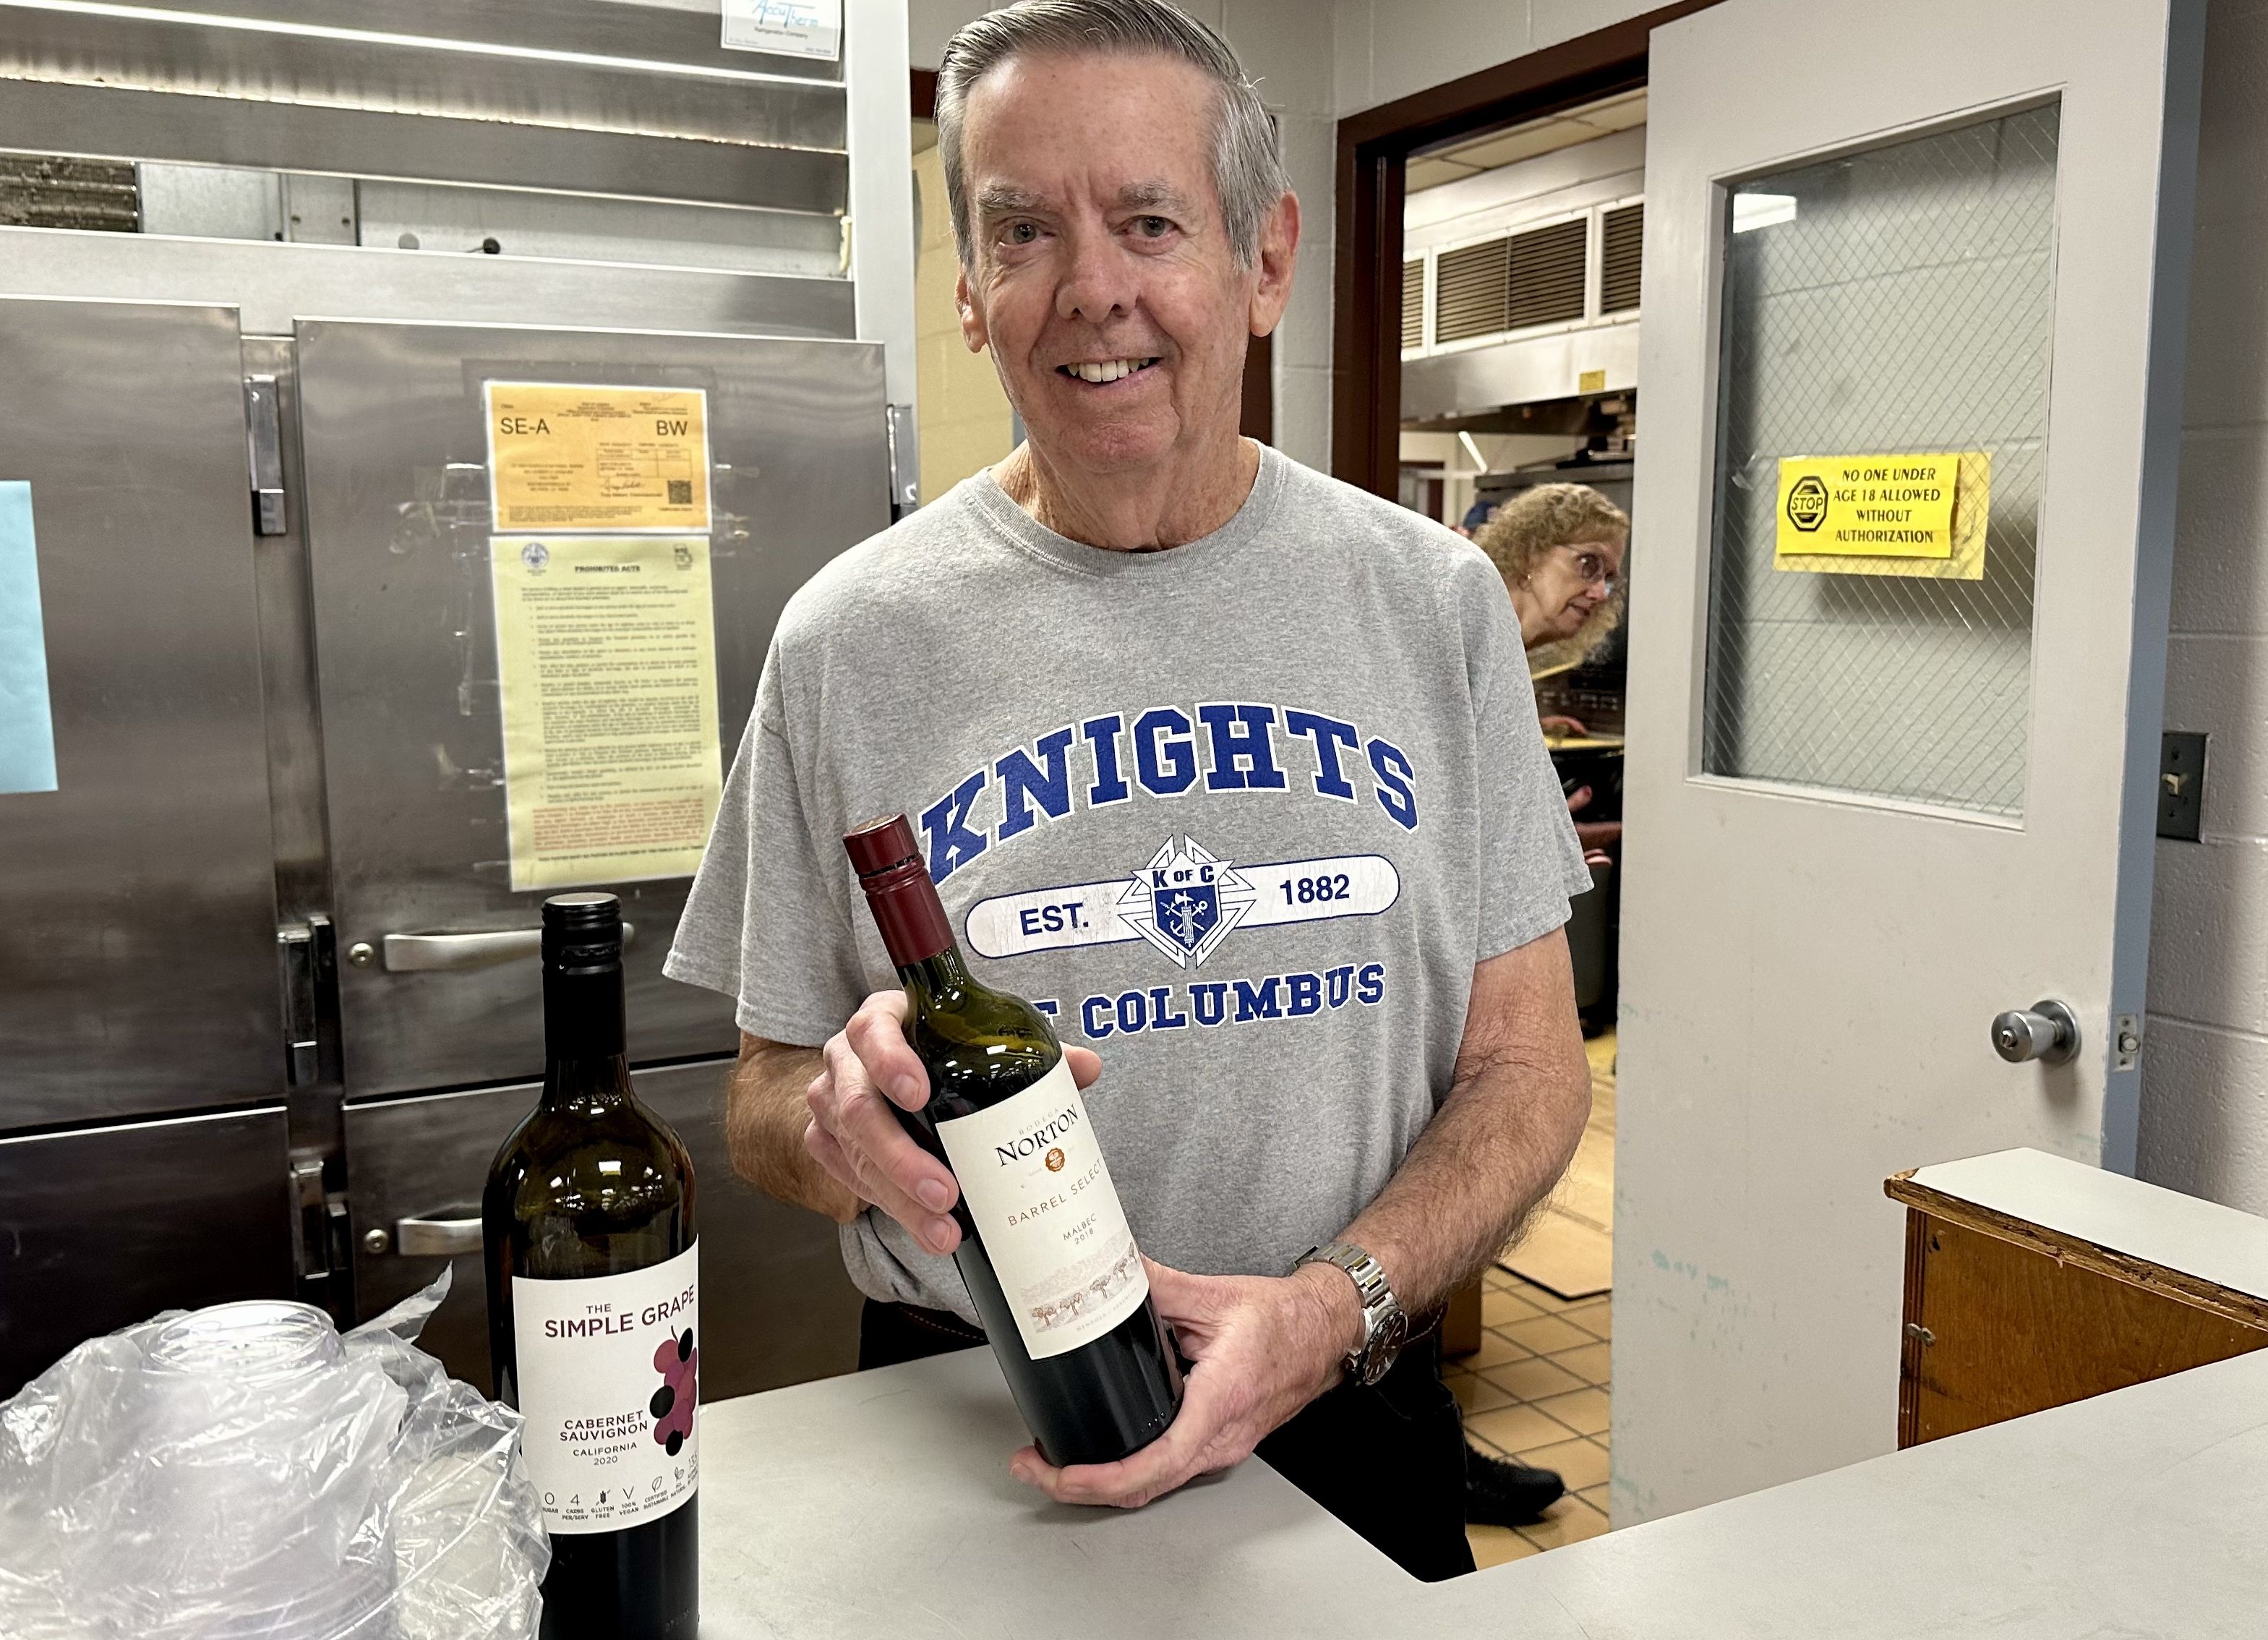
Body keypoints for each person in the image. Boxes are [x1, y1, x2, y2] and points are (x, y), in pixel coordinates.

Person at [665, 0, 1593, 1582]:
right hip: (975, 1421)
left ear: (1267, 259)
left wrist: (1329, 1311)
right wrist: (833, 1124)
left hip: (1346, 1397)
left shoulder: (1432, 606)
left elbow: (1530, 1070)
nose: (1092, 289)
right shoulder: (849, 640)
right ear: (969, 288)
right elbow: (758, 1098)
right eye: (1024, 230)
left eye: (1150, 221)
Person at [1474, 482, 1629, 858]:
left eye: (1608, 579)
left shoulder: (1501, 650)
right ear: (1529, 552)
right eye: (1588, 565)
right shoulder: (1471, 638)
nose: (1599, 594)